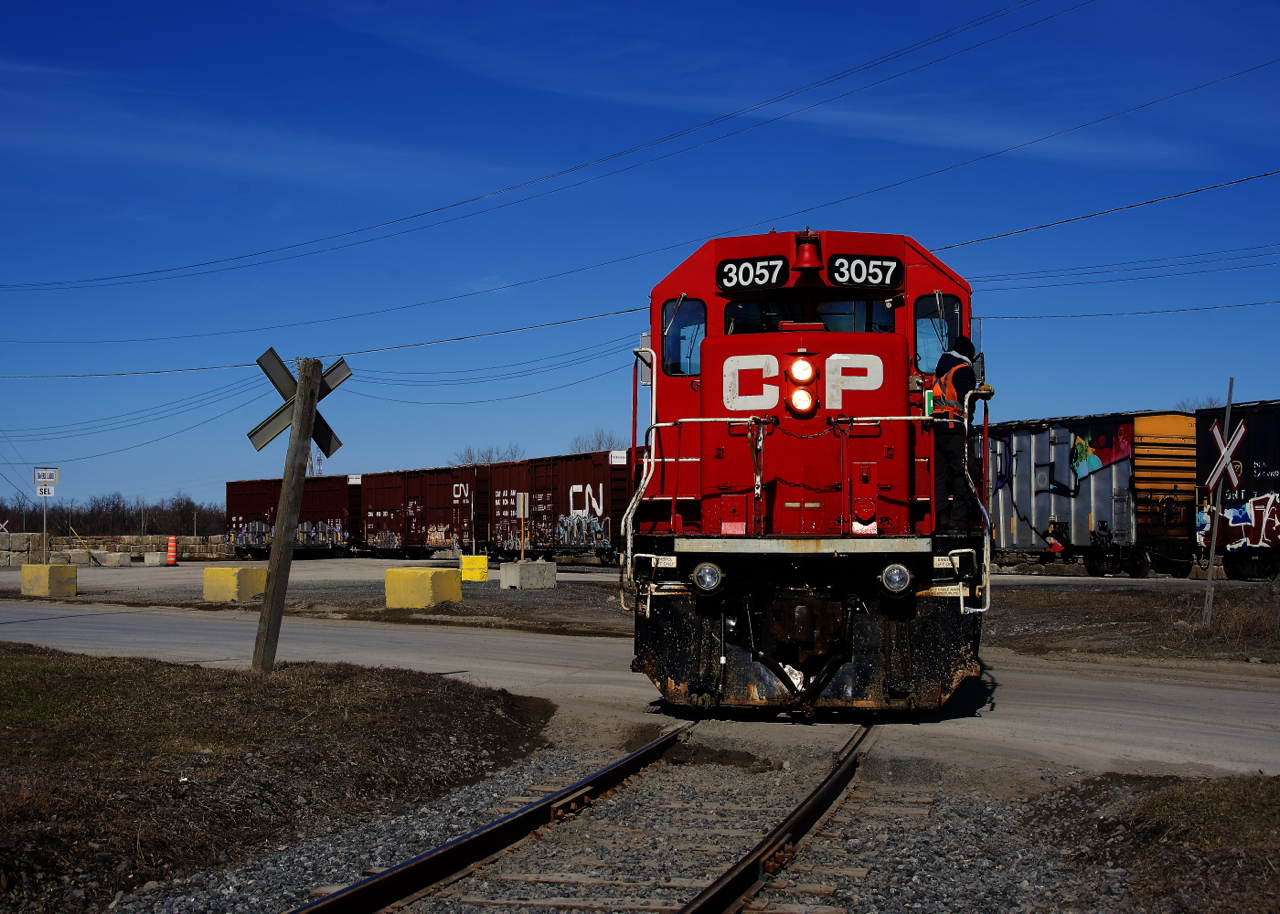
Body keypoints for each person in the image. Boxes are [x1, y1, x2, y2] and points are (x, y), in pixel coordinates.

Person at [932, 336, 978, 534]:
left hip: (937, 427)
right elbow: (967, 396)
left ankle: (940, 519)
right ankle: (959, 522)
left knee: (940, 475)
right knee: (965, 473)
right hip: (955, 427)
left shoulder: (942, 370)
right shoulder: (963, 370)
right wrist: (982, 392)